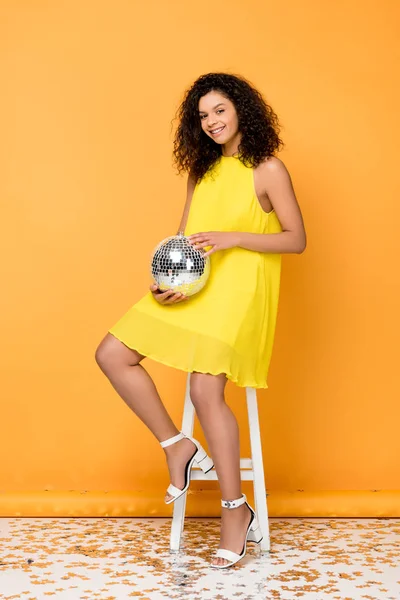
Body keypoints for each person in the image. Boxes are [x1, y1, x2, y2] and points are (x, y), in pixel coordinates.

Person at [95, 72, 307, 569]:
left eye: (219, 111)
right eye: (203, 116)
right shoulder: (201, 172)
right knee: (112, 354)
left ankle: (235, 511)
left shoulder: (268, 170)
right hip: (198, 289)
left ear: (242, 110)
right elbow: (183, 238)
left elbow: (295, 239)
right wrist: (167, 281)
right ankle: (177, 445)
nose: (211, 122)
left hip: (239, 296)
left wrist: (234, 237)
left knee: (204, 391)